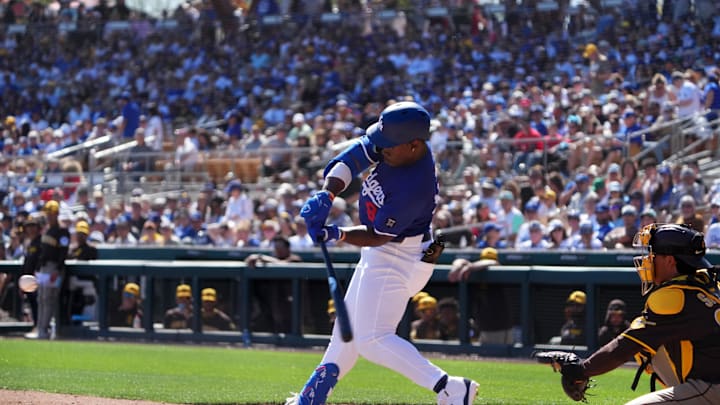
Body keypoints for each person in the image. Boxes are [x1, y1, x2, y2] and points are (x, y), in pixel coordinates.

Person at [287, 102, 478, 405]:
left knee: (372, 338)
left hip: (399, 258)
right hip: (384, 253)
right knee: (346, 330)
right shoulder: (398, 146)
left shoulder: (415, 185)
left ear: (414, 145)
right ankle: (311, 398)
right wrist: (328, 192)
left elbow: (377, 236)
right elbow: (350, 158)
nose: (381, 148)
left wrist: (336, 233)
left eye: (389, 145)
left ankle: (451, 387)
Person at [558, 224, 720, 404]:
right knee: (649, 344)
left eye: (654, 254)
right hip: (710, 380)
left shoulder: (674, 295)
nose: (648, 260)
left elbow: (623, 348)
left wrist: (581, 369)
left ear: (670, 261)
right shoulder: (711, 286)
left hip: (712, 385)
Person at [448, 247, 513, 345]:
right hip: (485, 326)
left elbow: (492, 263)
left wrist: (470, 267)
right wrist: (458, 267)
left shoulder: (499, 270)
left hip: (500, 328)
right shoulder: (476, 270)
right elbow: (459, 260)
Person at [35, 200, 70, 340]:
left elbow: (63, 252)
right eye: (48, 214)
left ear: (57, 214)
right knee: (41, 298)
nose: (49, 216)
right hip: (44, 268)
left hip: (54, 267)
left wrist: (57, 270)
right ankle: (41, 329)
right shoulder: (48, 229)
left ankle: (44, 330)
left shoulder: (62, 231)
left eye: (52, 214)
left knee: (49, 298)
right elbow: (42, 251)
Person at [21, 216, 42, 338]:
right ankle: (36, 325)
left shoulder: (40, 242)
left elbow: (40, 260)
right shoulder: (29, 243)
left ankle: (39, 327)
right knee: (32, 304)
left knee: (38, 304)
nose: (31, 229)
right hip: (27, 280)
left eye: (33, 226)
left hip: (37, 279)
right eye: (28, 226)